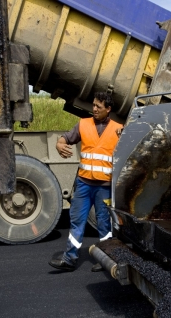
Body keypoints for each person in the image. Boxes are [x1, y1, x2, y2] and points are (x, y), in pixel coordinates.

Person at [49, 92, 123, 272]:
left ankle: (106, 259)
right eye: (94, 105)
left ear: (108, 109)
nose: (95, 109)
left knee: (104, 223)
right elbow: (65, 139)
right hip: (83, 184)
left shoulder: (118, 129)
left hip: (104, 187)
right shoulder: (83, 124)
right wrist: (59, 144)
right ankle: (69, 259)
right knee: (77, 220)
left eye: (99, 106)